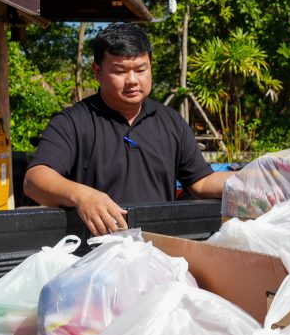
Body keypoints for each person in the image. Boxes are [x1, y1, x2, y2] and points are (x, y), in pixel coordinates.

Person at [23, 23, 232, 236]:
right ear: (98, 71)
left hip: (158, 247)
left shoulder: (171, 121)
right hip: (97, 249)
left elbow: (201, 182)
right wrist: (81, 195)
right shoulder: (73, 122)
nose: (132, 80)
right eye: (120, 71)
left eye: (141, 70)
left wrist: (246, 181)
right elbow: (35, 179)